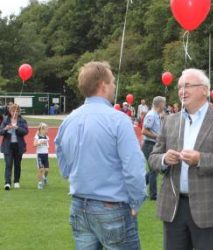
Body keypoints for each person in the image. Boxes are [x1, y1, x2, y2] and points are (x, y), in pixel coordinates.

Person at [149, 68, 213, 250]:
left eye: (188, 86)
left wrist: (201, 159)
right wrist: (164, 159)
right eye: (179, 87)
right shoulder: (171, 121)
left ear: (204, 90)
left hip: (210, 208)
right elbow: (153, 157)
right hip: (174, 208)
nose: (182, 91)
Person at [55, 61, 146, 249]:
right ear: (103, 85)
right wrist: (136, 201)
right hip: (112, 205)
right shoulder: (119, 120)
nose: (114, 86)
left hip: (80, 205)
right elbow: (134, 168)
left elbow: (64, 167)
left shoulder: (69, 121)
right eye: (112, 82)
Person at [142, 96, 166, 200]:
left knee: (154, 170)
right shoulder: (151, 115)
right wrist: (157, 137)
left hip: (153, 145)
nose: (164, 106)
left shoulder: (156, 115)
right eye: (164, 104)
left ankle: (138, 185)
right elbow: (144, 131)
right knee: (153, 170)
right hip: (149, 145)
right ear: (160, 104)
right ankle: (153, 195)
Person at [0, 103, 28, 190]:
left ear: (19, 112)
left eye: (16, 111)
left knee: (17, 164)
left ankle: (16, 181)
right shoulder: (6, 120)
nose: (14, 113)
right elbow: (0, 131)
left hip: (18, 146)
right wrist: (5, 129)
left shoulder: (22, 120)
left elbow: (25, 131)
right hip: (8, 145)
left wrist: (17, 128)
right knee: (8, 164)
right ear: (10, 111)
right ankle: (7, 183)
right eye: (12, 111)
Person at [33, 123, 50, 189]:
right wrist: (40, 143)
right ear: (41, 130)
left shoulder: (47, 137)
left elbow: (47, 146)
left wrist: (45, 144)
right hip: (39, 155)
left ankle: (44, 178)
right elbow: (34, 144)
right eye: (46, 129)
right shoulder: (37, 137)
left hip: (45, 154)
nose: (47, 131)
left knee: (46, 170)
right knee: (40, 169)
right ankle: (39, 183)